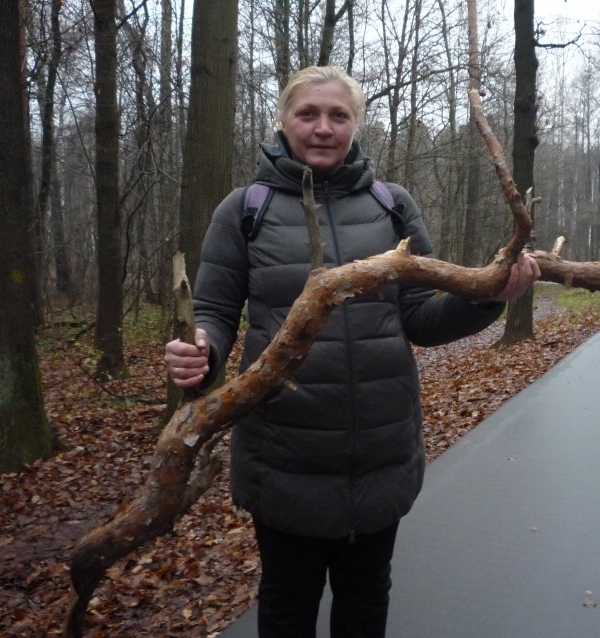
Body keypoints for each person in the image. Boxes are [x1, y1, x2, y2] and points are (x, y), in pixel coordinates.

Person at [164, 65, 540, 638]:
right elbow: (213, 312)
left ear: (355, 124)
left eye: (338, 115)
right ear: (284, 121)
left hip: (380, 454)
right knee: (287, 602)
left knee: (366, 598)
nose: (323, 127)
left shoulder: (393, 206)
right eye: (308, 114)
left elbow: (423, 318)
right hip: (283, 457)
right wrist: (202, 352)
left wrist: (489, 297)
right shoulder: (244, 210)